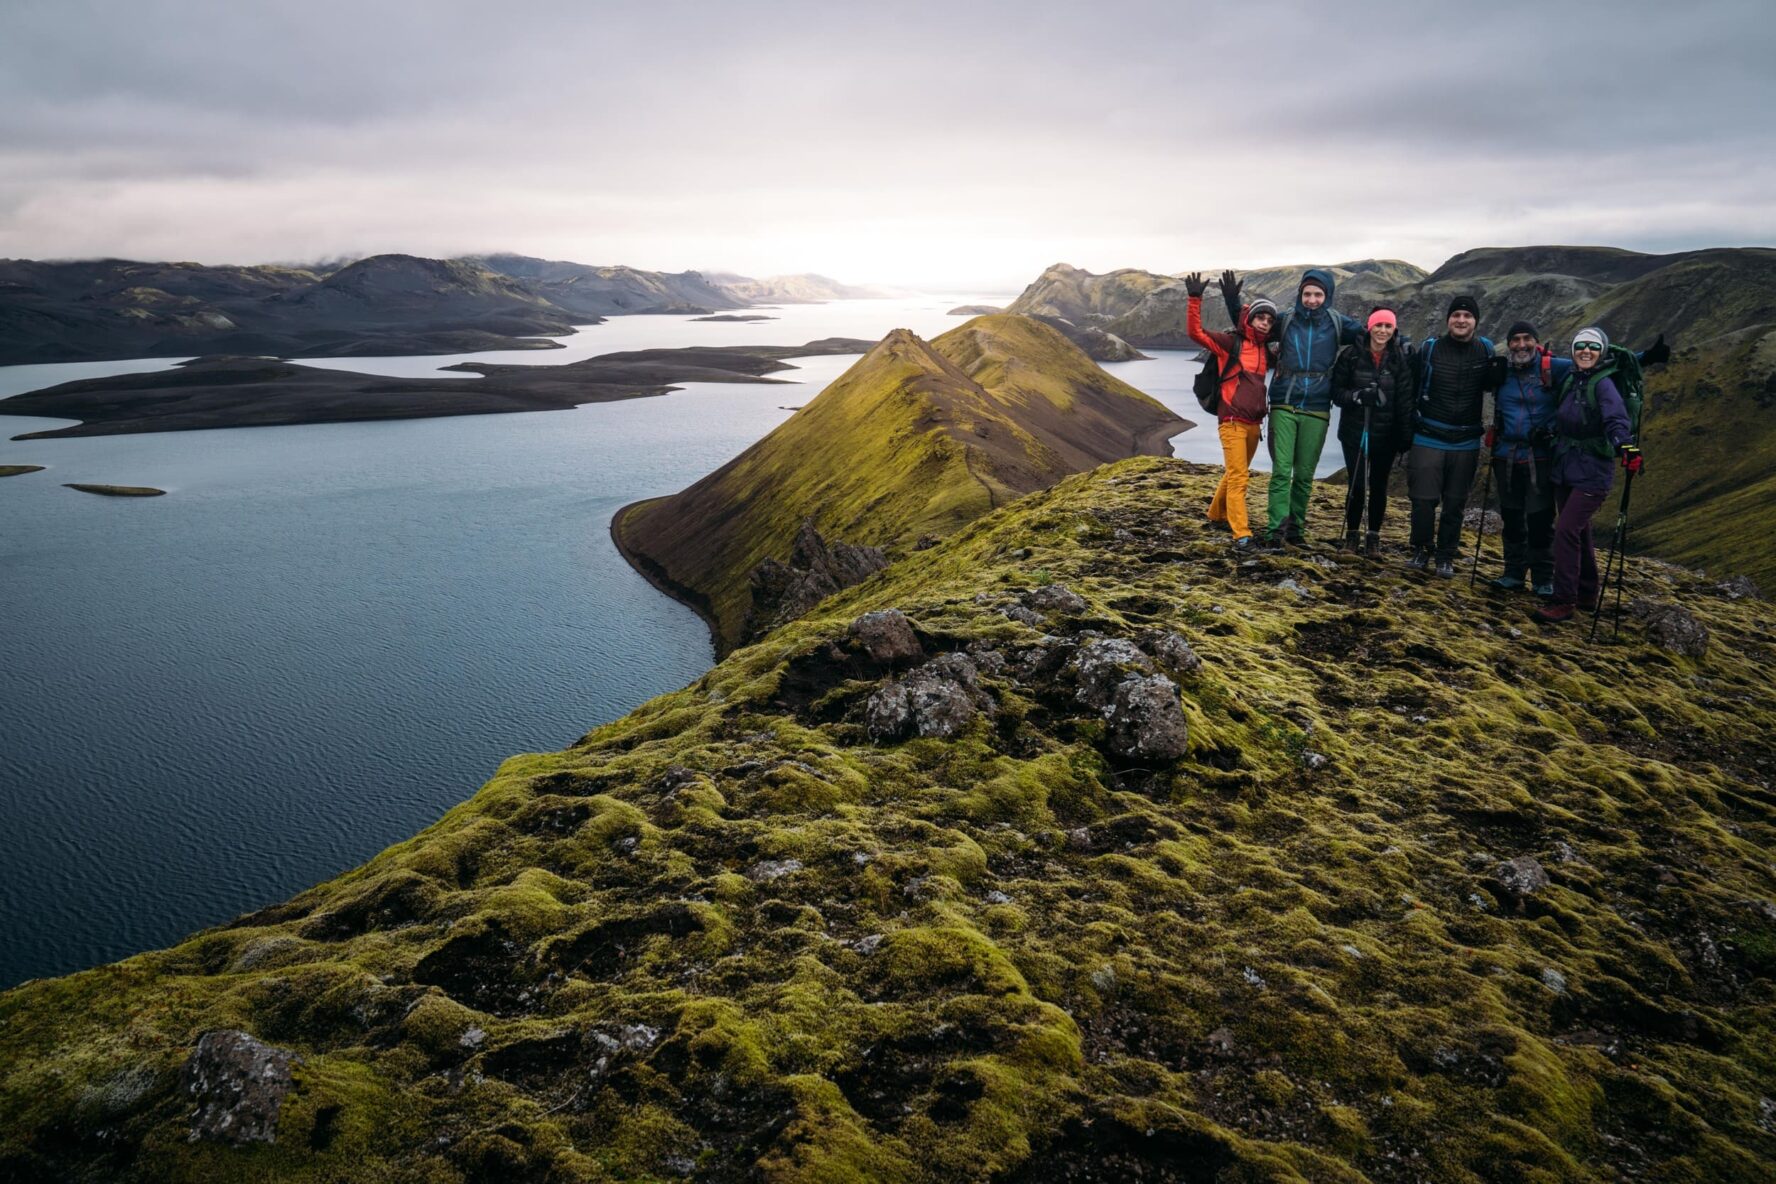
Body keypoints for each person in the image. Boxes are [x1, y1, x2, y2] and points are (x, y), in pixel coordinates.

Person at [1485, 322, 1670, 597]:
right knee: (1512, 518)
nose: (1521, 345)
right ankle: (1512, 573)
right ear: (1508, 344)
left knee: (1539, 520)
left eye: (1527, 339)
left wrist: (1644, 357)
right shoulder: (1502, 372)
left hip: (1542, 457)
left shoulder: (1555, 367)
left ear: (1536, 342)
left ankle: (1543, 579)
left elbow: (1596, 362)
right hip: (1505, 456)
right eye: (1515, 340)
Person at [1534, 327, 1639, 624]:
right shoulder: (1572, 379)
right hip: (1566, 466)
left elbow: (1616, 419)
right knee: (1579, 530)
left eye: (1593, 347)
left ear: (1602, 351)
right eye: (1581, 345)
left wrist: (1625, 446)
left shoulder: (1603, 384)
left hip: (1592, 471)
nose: (1586, 351)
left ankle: (1563, 600)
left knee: (1566, 529)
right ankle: (1587, 593)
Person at [1257, 269, 1364, 546]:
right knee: (1282, 471)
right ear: (1300, 294)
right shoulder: (1286, 320)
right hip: (1283, 402)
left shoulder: (1338, 323)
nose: (1312, 299)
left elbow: (1374, 335)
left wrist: (1400, 342)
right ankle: (1275, 532)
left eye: (1318, 294)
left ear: (1327, 296)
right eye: (1307, 294)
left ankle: (1296, 531)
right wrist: (1235, 305)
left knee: (1304, 475)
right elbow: (1253, 327)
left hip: (1317, 406)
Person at [1406, 295, 1498, 576]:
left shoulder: (1486, 350)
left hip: (1466, 440)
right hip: (1428, 435)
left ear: (1475, 321)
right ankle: (1421, 549)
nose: (1461, 320)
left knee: (1455, 502)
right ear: (1448, 320)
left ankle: (1445, 555)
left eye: (1467, 316)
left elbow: (1495, 387)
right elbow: (1410, 384)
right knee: (1423, 500)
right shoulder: (1431, 349)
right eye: (1456, 315)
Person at [1185, 271, 1275, 552]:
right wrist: (1195, 299)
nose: (1265, 323)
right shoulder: (1230, 344)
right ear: (1251, 319)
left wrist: (1233, 300)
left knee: (1236, 472)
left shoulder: (1264, 351)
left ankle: (1215, 513)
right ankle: (1242, 535)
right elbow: (1195, 333)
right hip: (1232, 422)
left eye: (1270, 320)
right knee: (1239, 477)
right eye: (1261, 317)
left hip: (1253, 425)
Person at [1330, 307, 1414, 555]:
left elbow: (1405, 399)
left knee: (1379, 486)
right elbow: (1336, 392)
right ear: (1370, 327)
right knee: (1356, 485)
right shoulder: (1351, 356)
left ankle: (1373, 538)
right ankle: (1352, 536)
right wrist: (1357, 396)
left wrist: (1404, 434)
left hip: (1386, 436)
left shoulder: (1400, 359)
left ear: (1394, 330)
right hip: (1355, 432)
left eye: (1388, 326)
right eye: (1379, 325)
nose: (1383, 331)